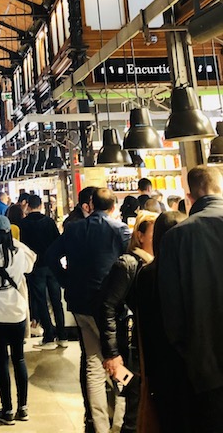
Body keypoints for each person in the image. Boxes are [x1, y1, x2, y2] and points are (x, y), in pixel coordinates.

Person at [46, 188, 131, 433]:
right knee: (118, 360)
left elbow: (51, 256)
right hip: (109, 306)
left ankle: (100, 426)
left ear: (90, 205)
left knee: (93, 365)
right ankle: (123, 421)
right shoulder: (119, 230)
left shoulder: (73, 229)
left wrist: (67, 281)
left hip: (80, 304)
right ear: (114, 207)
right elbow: (129, 263)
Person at [158, 167, 223, 433]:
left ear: (189, 197)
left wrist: (188, 352)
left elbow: (171, 310)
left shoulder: (176, 237)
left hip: (204, 364)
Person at [98, 210, 158, 433]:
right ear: (140, 236)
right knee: (134, 410)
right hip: (131, 351)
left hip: (146, 351)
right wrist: (112, 353)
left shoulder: (156, 264)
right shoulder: (129, 264)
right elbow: (107, 308)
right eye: (154, 233)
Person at [0, 214, 37, 424]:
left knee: (1, 361)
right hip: (17, 314)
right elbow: (32, 260)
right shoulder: (20, 253)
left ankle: (8, 409)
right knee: (19, 359)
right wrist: (12, 240)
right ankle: (24, 407)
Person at [135, 210, 187, 433]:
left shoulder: (148, 273)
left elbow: (143, 321)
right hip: (186, 361)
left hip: (159, 362)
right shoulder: (187, 268)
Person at [18, 193, 67, 349]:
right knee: (56, 300)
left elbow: (22, 248)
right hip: (52, 266)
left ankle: (49, 336)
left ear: (28, 206)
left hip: (35, 267)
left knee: (41, 301)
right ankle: (62, 335)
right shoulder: (49, 222)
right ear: (40, 206)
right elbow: (58, 242)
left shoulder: (22, 224)